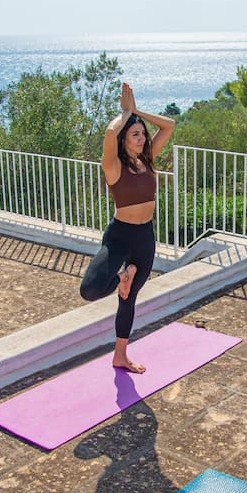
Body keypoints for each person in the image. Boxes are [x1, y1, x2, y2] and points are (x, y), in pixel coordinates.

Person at [79, 83, 175, 374]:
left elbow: (169, 125)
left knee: (128, 299)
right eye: (135, 134)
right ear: (124, 139)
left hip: (145, 237)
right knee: (90, 290)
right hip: (120, 236)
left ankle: (120, 356)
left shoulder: (147, 159)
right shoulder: (113, 167)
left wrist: (136, 111)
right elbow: (110, 133)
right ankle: (123, 274)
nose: (142, 138)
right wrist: (125, 113)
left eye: (143, 133)